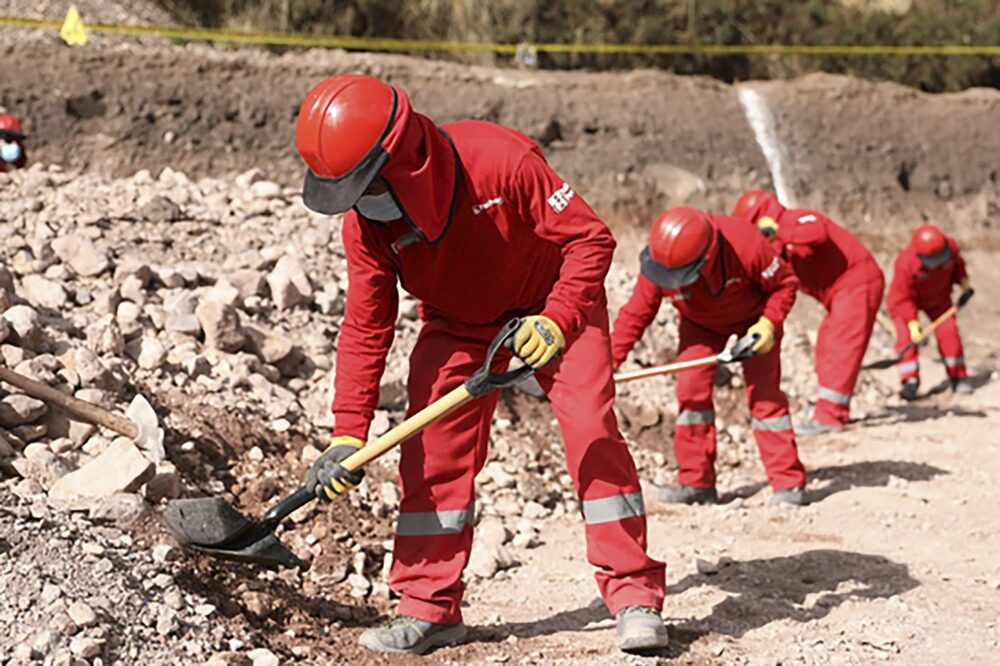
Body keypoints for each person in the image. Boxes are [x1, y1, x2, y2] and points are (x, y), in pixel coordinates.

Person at [295, 74, 667, 655]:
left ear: (404, 159)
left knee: (592, 431)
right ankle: (430, 608)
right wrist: (347, 433)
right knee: (432, 452)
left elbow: (591, 240)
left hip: (554, 302)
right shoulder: (366, 224)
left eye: (363, 185)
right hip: (458, 323)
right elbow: (367, 324)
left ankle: (634, 595)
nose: (359, 202)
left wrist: (558, 319)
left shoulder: (500, 160)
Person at [611, 206, 807, 506]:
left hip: (755, 322)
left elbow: (785, 284)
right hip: (699, 325)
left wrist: (768, 325)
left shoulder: (746, 245)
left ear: (706, 258)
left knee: (764, 397)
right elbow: (635, 315)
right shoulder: (661, 265)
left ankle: (788, 484)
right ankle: (696, 483)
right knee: (691, 393)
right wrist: (609, 361)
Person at [733, 190, 885, 436]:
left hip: (856, 282)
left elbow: (816, 232)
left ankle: (830, 416)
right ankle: (831, 406)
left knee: (839, 345)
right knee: (825, 345)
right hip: (841, 292)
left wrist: (778, 229)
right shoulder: (779, 249)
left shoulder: (794, 220)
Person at [886, 223, 973, 399]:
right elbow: (903, 298)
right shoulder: (905, 264)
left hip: (938, 297)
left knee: (949, 332)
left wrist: (964, 282)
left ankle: (958, 375)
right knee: (906, 338)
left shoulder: (950, 248)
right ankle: (910, 381)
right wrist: (912, 324)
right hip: (907, 302)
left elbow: (958, 266)